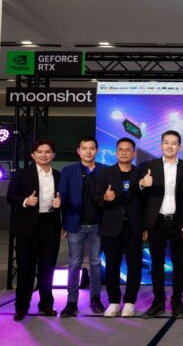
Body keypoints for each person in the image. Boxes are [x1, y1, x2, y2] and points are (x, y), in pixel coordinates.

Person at [140, 130, 183, 319]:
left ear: (179, 146)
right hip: (156, 222)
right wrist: (142, 184)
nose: (170, 146)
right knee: (157, 264)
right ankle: (158, 302)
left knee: (179, 264)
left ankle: (177, 302)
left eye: (174, 143)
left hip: (178, 222)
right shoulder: (150, 166)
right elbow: (141, 197)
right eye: (166, 142)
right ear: (161, 145)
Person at [7, 139, 62, 321]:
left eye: (48, 152)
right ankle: (21, 307)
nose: (44, 155)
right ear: (33, 155)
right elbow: (10, 196)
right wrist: (25, 201)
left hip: (50, 224)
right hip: (27, 225)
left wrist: (60, 204)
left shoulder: (59, 175)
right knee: (25, 268)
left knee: (48, 268)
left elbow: (64, 198)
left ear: (53, 154)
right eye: (40, 152)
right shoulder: (23, 174)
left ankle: (46, 305)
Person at [94, 137, 143, 318]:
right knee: (112, 266)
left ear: (133, 153)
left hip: (134, 227)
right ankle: (114, 302)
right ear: (116, 152)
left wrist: (145, 227)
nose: (124, 152)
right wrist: (104, 198)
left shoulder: (140, 173)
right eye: (121, 149)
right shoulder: (105, 173)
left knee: (134, 266)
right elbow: (95, 196)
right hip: (111, 227)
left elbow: (146, 202)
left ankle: (130, 302)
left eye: (128, 149)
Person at [59, 136, 107, 317]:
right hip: (75, 224)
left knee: (95, 263)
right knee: (74, 263)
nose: (88, 151)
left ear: (97, 151)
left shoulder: (105, 170)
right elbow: (62, 196)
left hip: (98, 224)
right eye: (84, 148)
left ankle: (95, 298)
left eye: (92, 148)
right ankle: (71, 301)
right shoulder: (68, 171)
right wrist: (61, 220)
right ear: (78, 151)